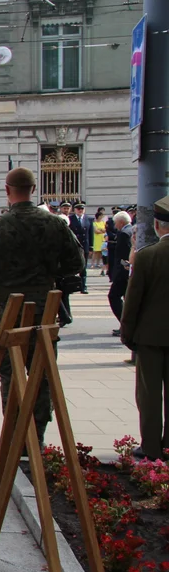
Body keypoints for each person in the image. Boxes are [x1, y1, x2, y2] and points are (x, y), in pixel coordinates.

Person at [0, 168, 84, 446]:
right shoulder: (55, 224)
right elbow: (76, 264)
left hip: (9, 312)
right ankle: (37, 438)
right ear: (33, 190)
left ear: (8, 190)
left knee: (10, 375)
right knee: (42, 375)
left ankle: (13, 437)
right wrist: (48, 271)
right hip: (44, 312)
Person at [120, 195, 169, 461]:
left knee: (149, 394)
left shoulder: (147, 256)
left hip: (150, 336)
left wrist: (127, 333)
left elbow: (133, 299)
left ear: (159, 226)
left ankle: (151, 446)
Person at [109, 211, 134, 336]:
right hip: (128, 271)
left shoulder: (124, 233)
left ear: (121, 222)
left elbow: (123, 255)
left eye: (116, 222)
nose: (115, 225)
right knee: (126, 299)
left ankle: (125, 325)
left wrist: (117, 273)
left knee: (113, 296)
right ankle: (127, 325)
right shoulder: (131, 230)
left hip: (123, 272)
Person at [69, 203, 93, 293]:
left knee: (83, 267)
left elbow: (91, 234)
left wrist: (91, 247)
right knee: (72, 267)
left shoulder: (88, 219)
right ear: (74, 209)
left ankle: (83, 286)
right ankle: (72, 285)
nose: (80, 210)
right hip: (74, 246)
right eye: (78, 209)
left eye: (82, 209)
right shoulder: (71, 219)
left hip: (84, 246)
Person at [92, 209, 107, 275]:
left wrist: (101, 230)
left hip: (102, 238)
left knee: (100, 252)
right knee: (95, 252)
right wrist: (101, 230)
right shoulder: (94, 223)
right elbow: (96, 231)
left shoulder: (103, 222)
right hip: (96, 238)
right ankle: (93, 263)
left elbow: (105, 230)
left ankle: (98, 263)